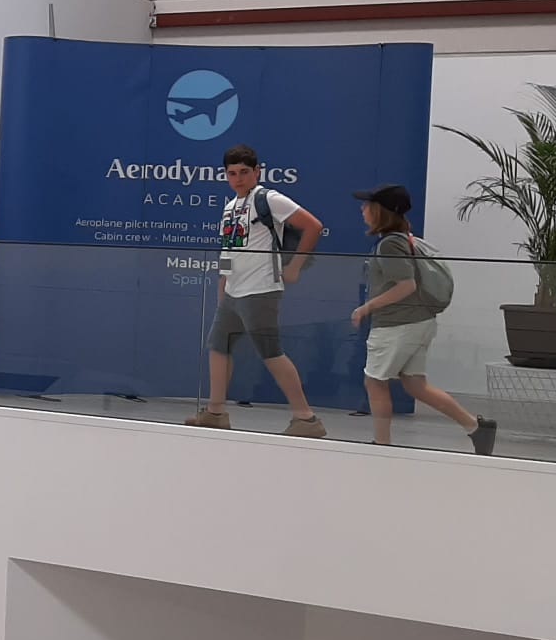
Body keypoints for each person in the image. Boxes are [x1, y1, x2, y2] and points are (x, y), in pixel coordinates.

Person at [185, 144, 325, 436]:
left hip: (261, 289)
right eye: (232, 173)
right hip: (234, 291)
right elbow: (229, 249)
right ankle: (215, 411)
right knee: (218, 347)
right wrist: (223, 282)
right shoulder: (229, 207)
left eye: (244, 172)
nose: (238, 178)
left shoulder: (269, 199)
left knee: (270, 352)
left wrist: (295, 267)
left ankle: (306, 417)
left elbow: (313, 226)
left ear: (256, 172)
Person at [350, 184, 497, 454]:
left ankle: (381, 446)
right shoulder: (404, 239)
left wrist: (366, 308)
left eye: (368, 205)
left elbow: (406, 286)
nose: (362, 209)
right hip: (419, 322)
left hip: (397, 325)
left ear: (380, 211)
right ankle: (476, 427)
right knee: (415, 384)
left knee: (375, 381)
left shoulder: (389, 244)